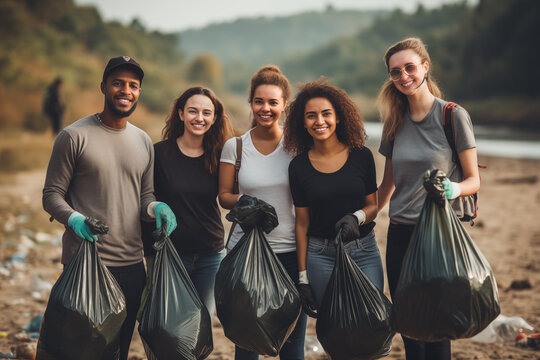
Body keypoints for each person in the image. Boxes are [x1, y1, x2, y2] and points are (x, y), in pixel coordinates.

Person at [42, 56, 177, 360]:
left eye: (133, 85)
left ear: (139, 92)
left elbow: (144, 197)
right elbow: (51, 194)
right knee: (82, 351)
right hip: (86, 264)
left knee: (118, 350)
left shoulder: (143, 141)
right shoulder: (73, 136)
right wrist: (74, 218)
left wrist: (157, 208)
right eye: (118, 83)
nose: (125, 90)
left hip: (132, 265)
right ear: (104, 86)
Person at [376, 37, 480, 360]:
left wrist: (454, 189)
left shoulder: (453, 116)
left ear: (425, 66)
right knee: (409, 328)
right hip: (399, 235)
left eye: (409, 67)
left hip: (437, 235)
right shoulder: (393, 121)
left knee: (437, 328)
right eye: (396, 72)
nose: (404, 76)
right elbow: (387, 186)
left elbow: (474, 179)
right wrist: (363, 216)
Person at [218, 65, 307, 360]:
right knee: (247, 342)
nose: (265, 108)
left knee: (292, 344)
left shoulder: (298, 147)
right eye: (259, 101)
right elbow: (224, 196)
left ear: (284, 105)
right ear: (251, 103)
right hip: (245, 255)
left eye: (273, 102)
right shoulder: (236, 147)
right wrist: (246, 202)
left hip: (291, 254)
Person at [283, 79, 384, 322]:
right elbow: (302, 224)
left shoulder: (362, 155)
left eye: (326, 114)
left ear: (338, 117)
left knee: (370, 322)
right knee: (336, 327)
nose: (319, 121)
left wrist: (355, 217)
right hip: (321, 256)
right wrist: (303, 278)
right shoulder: (298, 166)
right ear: (302, 122)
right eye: (311, 116)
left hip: (364, 251)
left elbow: (372, 205)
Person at [141, 86, 234, 320]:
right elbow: (145, 199)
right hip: (170, 253)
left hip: (210, 255)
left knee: (199, 328)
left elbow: (232, 193)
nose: (199, 118)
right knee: (169, 327)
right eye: (193, 111)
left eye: (206, 113)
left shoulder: (220, 155)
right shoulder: (159, 153)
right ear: (181, 114)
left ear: (214, 118)